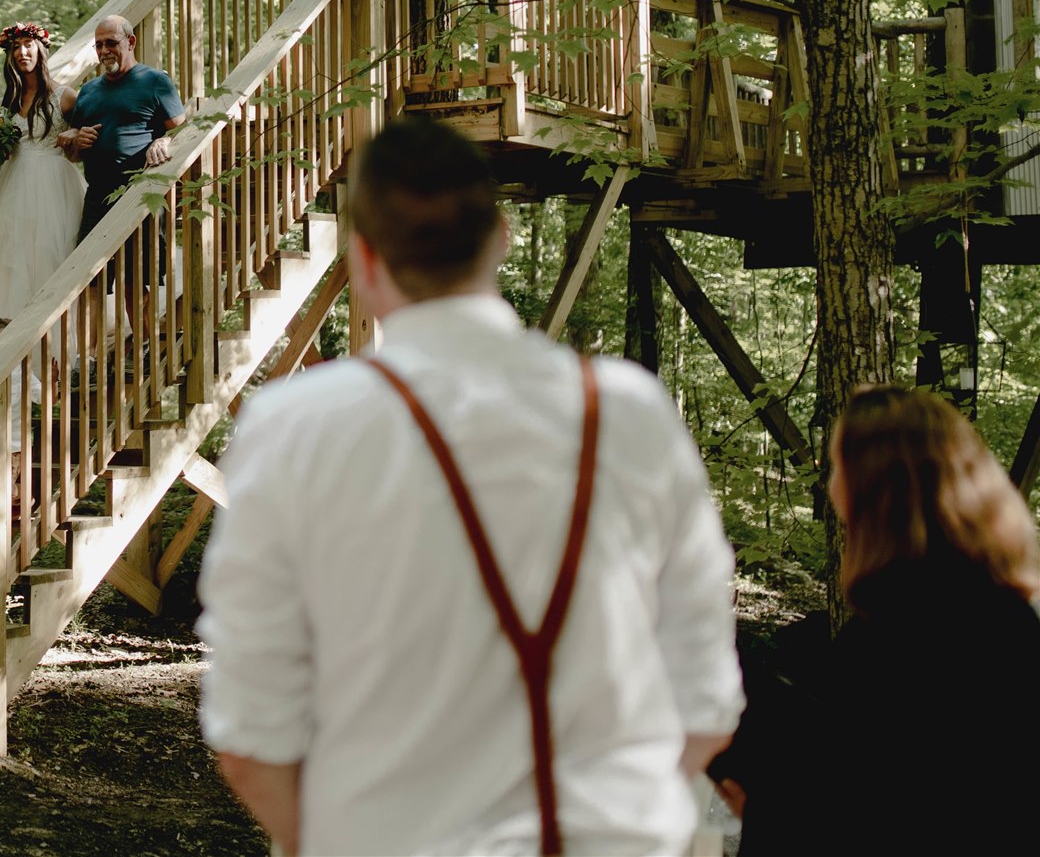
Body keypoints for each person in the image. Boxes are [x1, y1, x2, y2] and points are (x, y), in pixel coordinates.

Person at [198, 117, 743, 856]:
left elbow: (251, 735)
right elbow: (707, 702)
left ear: (362, 260)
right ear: (503, 236)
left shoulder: (295, 426)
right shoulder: (629, 412)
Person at [712, 385, 1040, 856]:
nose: (830, 483)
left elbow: (870, 815)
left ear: (877, 487)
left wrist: (766, 797)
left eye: (838, 465)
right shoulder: (999, 617)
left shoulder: (906, 639)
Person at [0, 21, 85, 331]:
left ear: (40, 50)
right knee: (11, 260)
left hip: (54, 186)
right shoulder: (6, 106)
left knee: (51, 256)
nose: (22, 52)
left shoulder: (64, 97)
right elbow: (6, 156)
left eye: (28, 45)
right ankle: (13, 342)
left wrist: (74, 132)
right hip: (13, 189)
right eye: (16, 47)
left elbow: (85, 141)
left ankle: (56, 344)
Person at [58, 14, 186, 241]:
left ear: (131, 42)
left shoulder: (155, 81)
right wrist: (77, 140)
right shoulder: (88, 91)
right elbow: (75, 156)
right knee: (89, 273)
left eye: (111, 42)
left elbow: (182, 131)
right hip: (97, 197)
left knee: (147, 274)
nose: (104, 50)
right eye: (98, 45)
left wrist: (164, 140)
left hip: (142, 193)